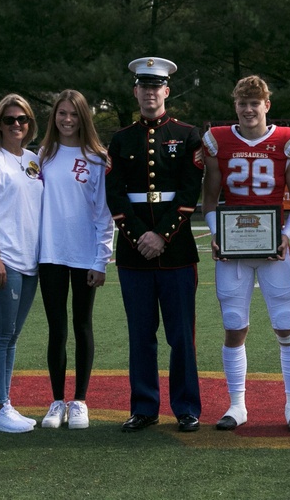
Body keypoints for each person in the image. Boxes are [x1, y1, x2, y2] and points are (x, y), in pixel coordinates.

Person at [202, 75, 290, 432]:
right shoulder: (218, 140)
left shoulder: (287, 141)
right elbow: (210, 199)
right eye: (242, 103)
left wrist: (286, 236)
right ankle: (237, 406)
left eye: (255, 102)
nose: (249, 109)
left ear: (267, 105)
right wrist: (217, 236)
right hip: (233, 250)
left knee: (284, 324)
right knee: (234, 326)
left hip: (272, 248)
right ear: (235, 106)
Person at [105, 57, 204, 433]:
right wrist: (138, 236)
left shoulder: (187, 134)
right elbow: (115, 196)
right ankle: (144, 406)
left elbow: (189, 190)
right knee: (140, 335)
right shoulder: (121, 138)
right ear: (136, 91)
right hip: (134, 253)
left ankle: (186, 407)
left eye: (156, 87)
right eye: (143, 87)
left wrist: (161, 235)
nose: (150, 93)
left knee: (182, 336)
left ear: (167, 90)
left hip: (175, 250)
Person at [37, 90, 115, 430]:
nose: (67, 120)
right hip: (50, 254)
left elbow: (104, 213)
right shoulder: (42, 155)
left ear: (84, 117)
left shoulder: (98, 158)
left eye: (73, 114)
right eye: (61, 113)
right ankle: (56, 401)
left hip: (85, 255)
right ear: (54, 116)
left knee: (82, 325)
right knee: (56, 328)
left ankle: (79, 400)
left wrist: (102, 260)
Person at [0, 93, 44, 434]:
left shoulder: (33, 159)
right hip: (2, 258)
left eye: (23, 119)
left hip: (30, 261)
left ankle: (4, 403)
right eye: (9, 120)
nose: (16, 125)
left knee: (12, 336)